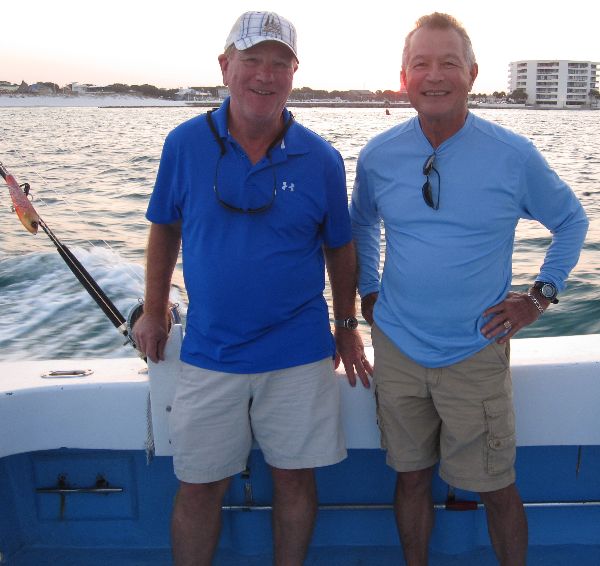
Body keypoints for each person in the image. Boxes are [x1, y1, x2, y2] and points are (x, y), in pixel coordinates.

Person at [133, 10, 371, 566]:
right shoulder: (184, 143)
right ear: (225, 66)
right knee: (198, 485)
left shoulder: (322, 159)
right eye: (252, 60)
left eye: (279, 64)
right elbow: (164, 226)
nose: (265, 75)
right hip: (210, 351)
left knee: (294, 481)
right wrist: (153, 309)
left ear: (294, 74)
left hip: (298, 352)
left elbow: (341, 246)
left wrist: (346, 326)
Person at [350, 12, 588, 566]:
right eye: (421, 64)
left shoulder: (512, 154)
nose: (435, 76)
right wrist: (368, 292)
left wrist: (538, 298)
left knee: (496, 487)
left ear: (472, 73)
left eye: (449, 63)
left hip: (476, 348)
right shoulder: (379, 155)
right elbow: (360, 223)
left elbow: (572, 221)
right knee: (409, 480)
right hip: (398, 349)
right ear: (403, 76)